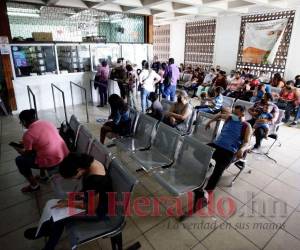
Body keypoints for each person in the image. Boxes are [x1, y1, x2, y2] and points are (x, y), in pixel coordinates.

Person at [24, 153, 113, 250]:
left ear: (79, 170)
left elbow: (92, 207)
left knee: (60, 219)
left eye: (72, 177)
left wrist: (69, 203)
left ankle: (48, 244)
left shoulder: (96, 179)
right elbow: (90, 191)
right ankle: (47, 229)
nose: (73, 179)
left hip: (100, 211)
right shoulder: (91, 163)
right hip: (92, 198)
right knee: (57, 208)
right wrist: (72, 200)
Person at [14, 109, 69, 193]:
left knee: (19, 160)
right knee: (41, 150)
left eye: (21, 122)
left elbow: (27, 154)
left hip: (52, 162)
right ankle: (43, 176)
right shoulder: (47, 122)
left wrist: (19, 150)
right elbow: (45, 140)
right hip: (64, 155)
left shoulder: (28, 134)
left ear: (24, 121)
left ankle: (34, 186)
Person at [202, 105, 251, 194]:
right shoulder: (230, 118)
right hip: (217, 145)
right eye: (233, 112)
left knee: (218, 171)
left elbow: (247, 142)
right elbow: (220, 115)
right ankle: (210, 165)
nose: (234, 115)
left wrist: (242, 149)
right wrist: (209, 122)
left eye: (236, 114)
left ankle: (208, 192)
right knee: (197, 151)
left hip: (229, 151)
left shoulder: (246, 126)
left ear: (242, 114)